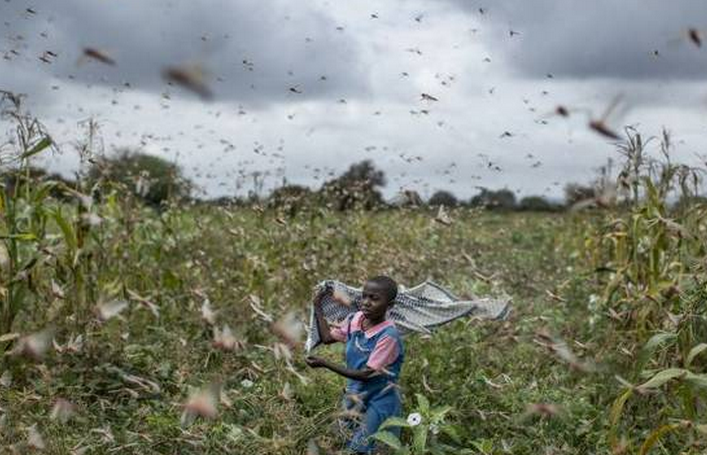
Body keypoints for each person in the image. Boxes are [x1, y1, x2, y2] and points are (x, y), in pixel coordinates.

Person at [305, 276, 405, 454]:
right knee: (342, 440)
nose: (366, 303)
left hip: (380, 398)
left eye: (374, 299)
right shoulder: (356, 320)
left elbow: (366, 374)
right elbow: (327, 338)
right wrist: (318, 306)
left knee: (362, 447)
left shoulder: (388, 336)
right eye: (364, 296)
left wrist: (325, 363)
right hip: (355, 394)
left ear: (390, 305)